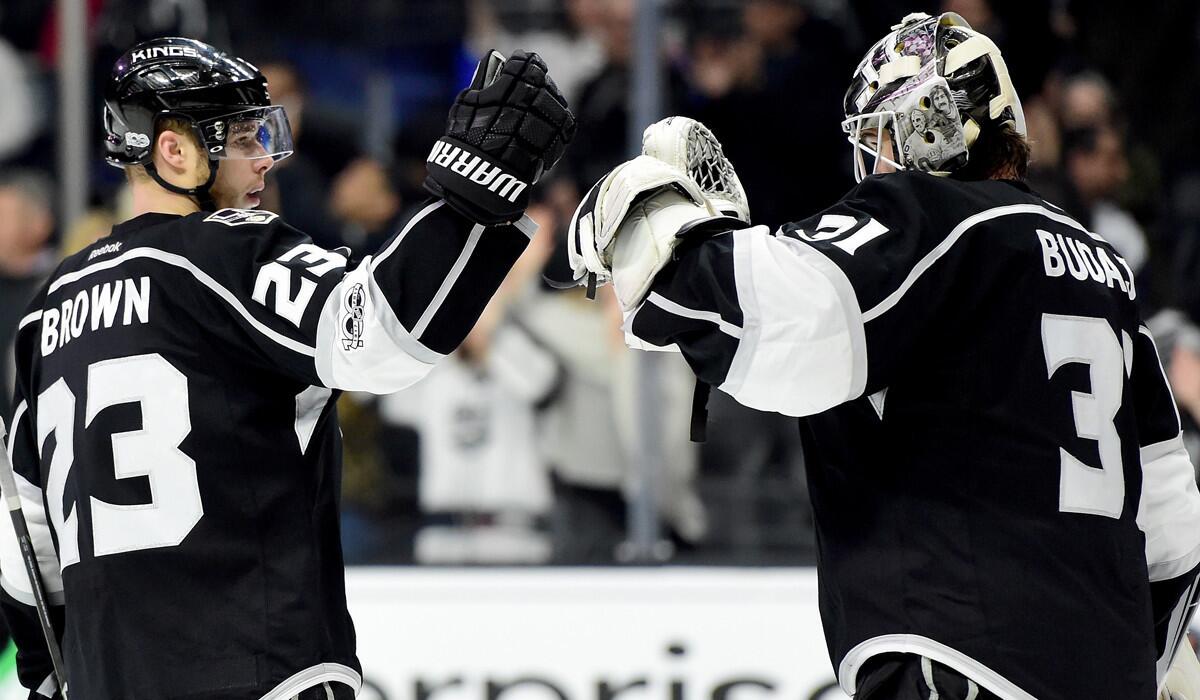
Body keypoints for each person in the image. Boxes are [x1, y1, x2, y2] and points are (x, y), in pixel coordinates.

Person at [567, 12, 1200, 700]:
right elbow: (1171, 521)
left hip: (963, 659)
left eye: (876, 137)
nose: (869, 163)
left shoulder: (933, 219)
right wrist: (1148, 662)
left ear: (925, 128)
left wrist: (649, 223)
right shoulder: (1104, 268)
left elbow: (776, 323)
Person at [0, 37, 573, 699]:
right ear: (174, 151)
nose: (264, 158)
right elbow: (378, 336)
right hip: (260, 675)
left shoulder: (46, 315)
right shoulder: (223, 252)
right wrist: (477, 190)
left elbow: (27, 558)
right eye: (241, 139)